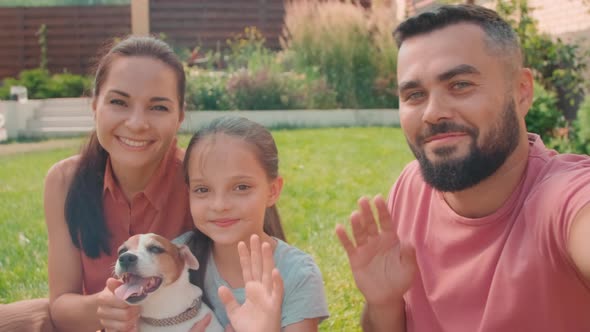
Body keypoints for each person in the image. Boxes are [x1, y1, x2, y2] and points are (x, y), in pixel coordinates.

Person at [336, 4, 590, 332]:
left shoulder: (564, 200)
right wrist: (383, 302)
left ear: (522, 92)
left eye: (460, 85)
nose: (432, 112)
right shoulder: (412, 187)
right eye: (414, 94)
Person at [0, 35, 200, 332]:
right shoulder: (65, 180)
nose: (136, 123)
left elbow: (262, 274)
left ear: (180, 116)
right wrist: (105, 306)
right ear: (94, 105)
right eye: (118, 102)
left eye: (158, 107)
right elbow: (61, 309)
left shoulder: (201, 179)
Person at [181, 116, 330, 331]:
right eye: (202, 189)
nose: (220, 205)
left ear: (272, 190)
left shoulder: (296, 274)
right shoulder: (174, 260)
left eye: (241, 187)